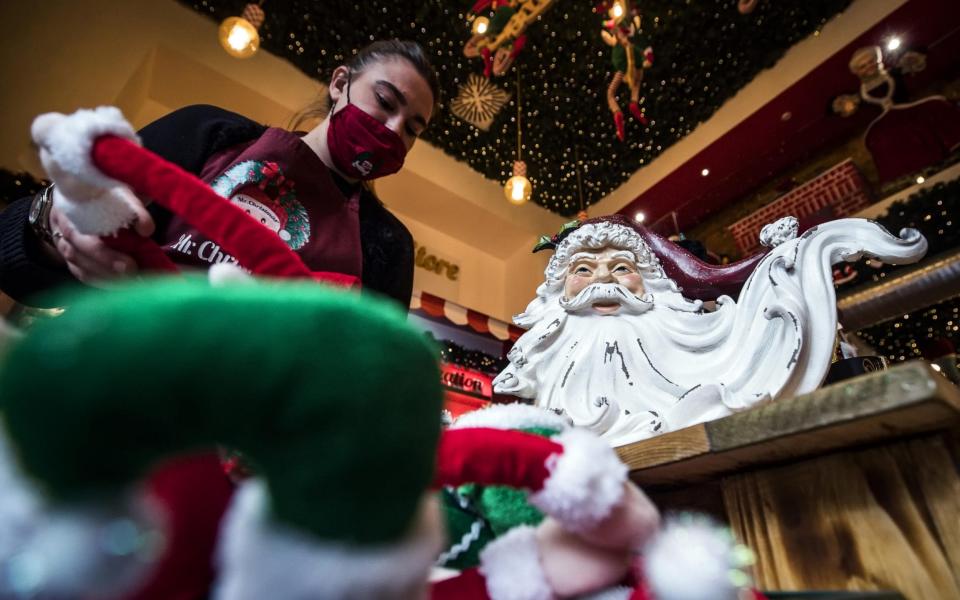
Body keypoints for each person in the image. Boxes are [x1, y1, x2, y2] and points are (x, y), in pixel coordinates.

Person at [0, 39, 440, 310]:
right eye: (384, 101)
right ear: (339, 82)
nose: (393, 130)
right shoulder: (209, 132)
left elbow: (367, 379)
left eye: (412, 128)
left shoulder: (388, 246)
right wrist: (56, 225)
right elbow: (11, 256)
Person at [493, 214, 928, 446]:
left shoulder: (714, 365)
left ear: (655, 285)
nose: (600, 282)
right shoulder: (534, 400)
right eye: (583, 269)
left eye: (622, 268)